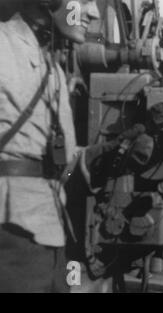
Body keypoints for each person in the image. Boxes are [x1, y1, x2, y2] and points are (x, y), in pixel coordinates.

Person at [0, 0, 100, 292]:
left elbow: (65, 159)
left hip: (49, 230)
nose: (92, 13)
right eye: (83, 2)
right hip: (11, 233)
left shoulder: (52, 69)